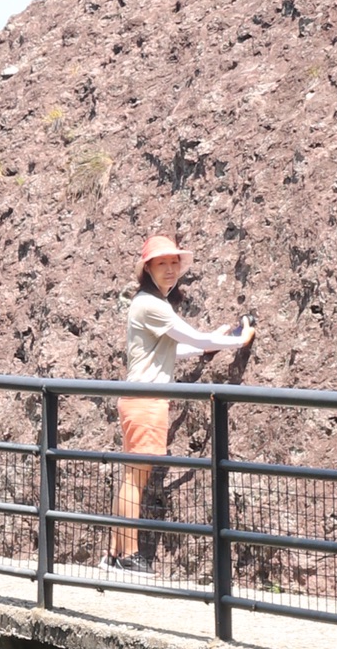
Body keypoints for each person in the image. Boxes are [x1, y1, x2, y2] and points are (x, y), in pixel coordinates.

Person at [109, 235, 254, 562]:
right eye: (162, 263)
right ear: (148, 268)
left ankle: (115, 554)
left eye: (174, 262)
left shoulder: (146, 304)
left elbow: (177, 349)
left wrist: (214, 343)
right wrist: (239, 339)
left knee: (133, 477)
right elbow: (194, 338)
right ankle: (128, 556)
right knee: (135, 478)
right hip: (146, 401)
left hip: (139, 399)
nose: (170, 269)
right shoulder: (152, 304)